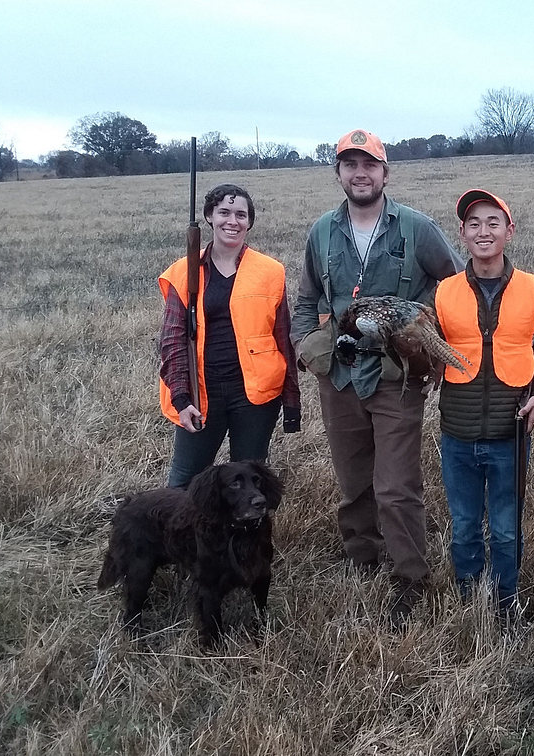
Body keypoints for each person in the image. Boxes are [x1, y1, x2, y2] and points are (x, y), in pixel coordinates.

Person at [291, 129, 461, 624]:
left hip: (395, 378)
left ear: (386, 173)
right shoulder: (322, 232)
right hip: (339, 375)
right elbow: (305, 301)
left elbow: (454, 289)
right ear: (338, 174)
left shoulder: (416, 228)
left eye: (369, 164)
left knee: (396, 485)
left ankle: (410, 577)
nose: (359, 173)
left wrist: (424, 340)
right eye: (349, 164)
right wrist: (308, 350)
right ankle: (363, 557)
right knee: (351, 480)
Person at [433, 189, 534, 619]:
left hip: (510, 436)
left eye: (493, 222)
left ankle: (506, 604)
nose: (483, 231)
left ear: (509, 231)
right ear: (462, 234)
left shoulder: (533, 290)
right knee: (463, 530)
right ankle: (469, 601)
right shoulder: (443, 293)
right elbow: (424, 351)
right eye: (474, 224)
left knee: (507, 531)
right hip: (457, 436)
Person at [158, 184, 300, 488]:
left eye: (240, 214)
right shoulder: (184, 271)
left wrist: (291, 401)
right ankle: (179, 536)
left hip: (255, 395)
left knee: (248, 482)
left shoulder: (270, 271)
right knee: (185, 482)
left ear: (249, 222)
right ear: (210, 216)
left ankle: (244, 536)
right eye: (223, 212)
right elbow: (172, 340)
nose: (231, 221)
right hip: (201, 393)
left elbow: (283, 337)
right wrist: (182, 399)